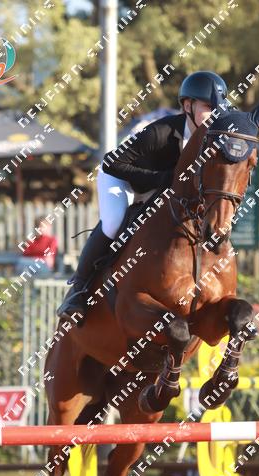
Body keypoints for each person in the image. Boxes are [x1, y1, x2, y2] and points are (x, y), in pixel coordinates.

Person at [57, 71, 230, 321]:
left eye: (218, 109)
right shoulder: (161, 132)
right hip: (121, 178)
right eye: (208, 107)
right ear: (188, 105)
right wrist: (161, 179)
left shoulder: (212, 140)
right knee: (114, 221)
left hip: (161, 187)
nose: (214, 114)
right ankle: (78, 291)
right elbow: (112, 163)